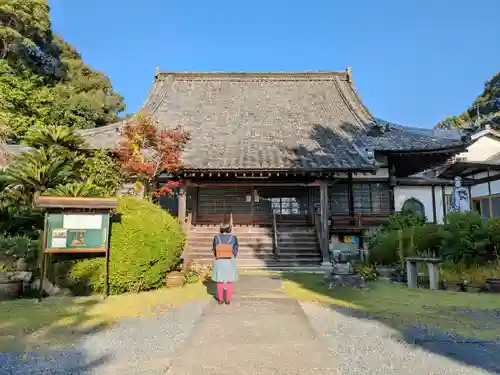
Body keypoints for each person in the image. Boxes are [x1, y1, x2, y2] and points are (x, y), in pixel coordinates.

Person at [211, 222, 239, 305]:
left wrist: (217, 255)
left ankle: (220, 299)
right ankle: (227, 299)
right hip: (230, 260)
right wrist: (233, 255)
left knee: (219, 281)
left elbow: (214, 249)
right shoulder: (233, 238)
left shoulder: (216, 238)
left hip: (219, 260)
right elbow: (236, 249)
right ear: (229, 229)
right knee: (229, 281)